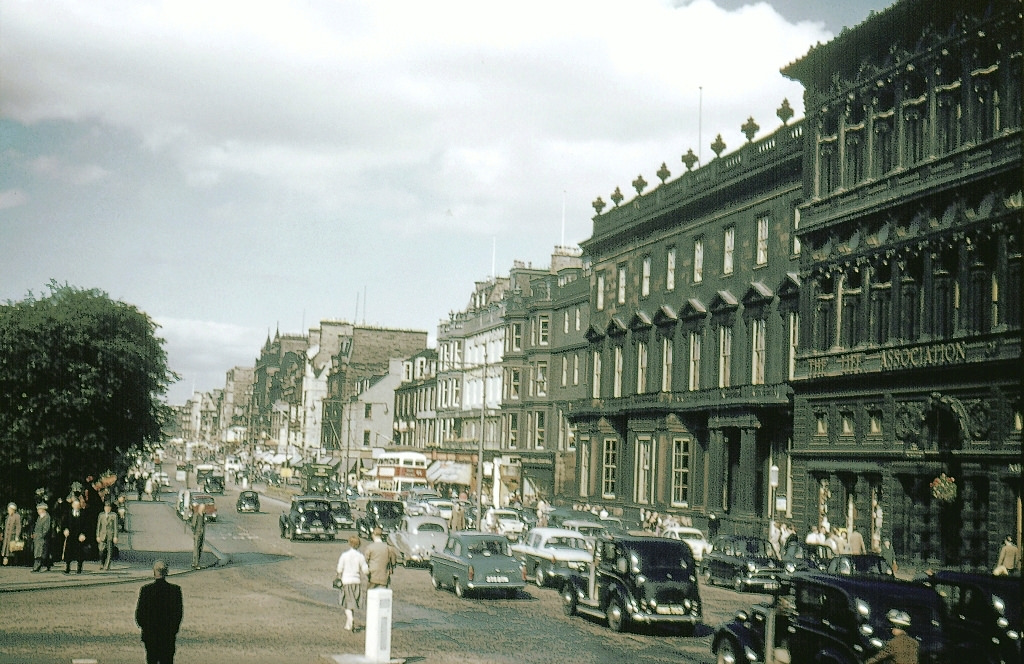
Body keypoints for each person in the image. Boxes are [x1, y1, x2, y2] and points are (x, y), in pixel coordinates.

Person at [135, 559, 183, 664]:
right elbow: (178, 614)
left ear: (154, 572)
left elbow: (139, 614)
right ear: (166, 572)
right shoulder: (175, 590)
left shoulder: (146, 590)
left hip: (150, 634)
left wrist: (145, 628)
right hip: (167, 635)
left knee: (151, 660)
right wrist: (173, 630)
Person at [336, 535, 369, 631]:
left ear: (349, 543)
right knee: (353, 603)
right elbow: (365, 570)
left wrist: (338, 576)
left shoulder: (344, 555)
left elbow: (339, 569)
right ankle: (348, 624)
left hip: (346, 581)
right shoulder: (360, 556)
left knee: (347, 603)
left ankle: (350, 619)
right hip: (356, 581)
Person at [62, 498, 87, 574]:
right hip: (70, 535)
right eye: (75, 505)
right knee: (69, 552)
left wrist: (83, 534)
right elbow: (64, 523)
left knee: (79, 552)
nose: (76, 506)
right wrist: (65, 530)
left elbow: (86, 526)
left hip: (79, 536)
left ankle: (79, 568)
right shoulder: (68, 513)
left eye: (78, 505)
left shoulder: (83, 514)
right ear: (72, 505)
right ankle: (67, 567)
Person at [96, 501, 119, 570]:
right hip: (102, 535)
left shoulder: (114, 515)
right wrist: (97, 535)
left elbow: (115, 527)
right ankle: (102, 563)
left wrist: (115, 536)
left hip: (110, 535)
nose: (107, 509)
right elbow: (98, 526)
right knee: (101, 550)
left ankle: (107, 565)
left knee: (110, 551)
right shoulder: (101, 515)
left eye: (108, 507)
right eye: (106, 507)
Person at [31, 503, 52, 571]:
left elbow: (46, 529)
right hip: (37, 538)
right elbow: (36, 527)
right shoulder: (39, 517)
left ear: (43, 509)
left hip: (42, 538)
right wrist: (34, 534)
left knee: (41, 552)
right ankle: (38, 565)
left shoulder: (47, 517)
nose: (38, 511)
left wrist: (41, 535)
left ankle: (38, 566)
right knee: (37, 552)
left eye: (39, 509)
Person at [3, 502, 22, 566]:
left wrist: (17, 536)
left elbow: (18, 526)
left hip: (13, 535)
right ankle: (6, 561)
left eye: (9, 509)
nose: (8, 510)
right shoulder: (7, 516)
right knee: (6, 548)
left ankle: (14, 563)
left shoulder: (17, 516)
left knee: (13, 549)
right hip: (7, 536)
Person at [190, 502, 205, 570]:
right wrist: (195, 533)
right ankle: (195, 564)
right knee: (196, 549)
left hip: (201, 534)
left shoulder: (203, 515)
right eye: (203, 508)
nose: (204, 510)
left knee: (199, 548)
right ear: (200, 508)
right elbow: (193, 525)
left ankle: (196, 563)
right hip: (197, 534)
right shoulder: (196, 515)